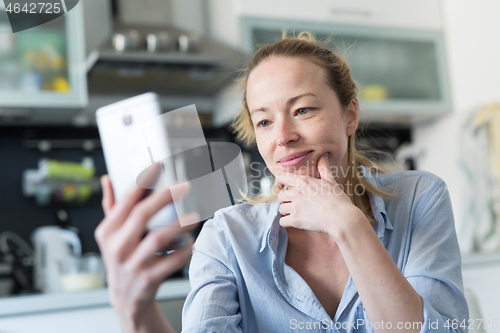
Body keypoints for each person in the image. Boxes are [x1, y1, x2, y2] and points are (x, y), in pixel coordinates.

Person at [95, 32, 468, 333]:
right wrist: (136, 314)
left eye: (303, 110)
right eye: (265, 121)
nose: (283, 136)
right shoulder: (226, 238)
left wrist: (348, 224)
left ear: (349, 114)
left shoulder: (419, 197)